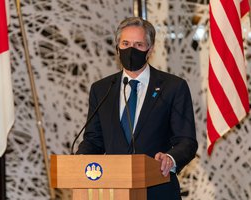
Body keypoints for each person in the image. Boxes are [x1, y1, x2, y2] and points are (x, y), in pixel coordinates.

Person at [76, 17, 198, 200]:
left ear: (150, 49)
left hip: (158, 189)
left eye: (139, 45)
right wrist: (80, 159)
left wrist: (170, 159)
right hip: (113, 190)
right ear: (117, 47)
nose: (131, 49)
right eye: (125, 43)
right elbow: (94, 139)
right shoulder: (101, 89)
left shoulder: (173, 87)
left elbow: (186, 141)